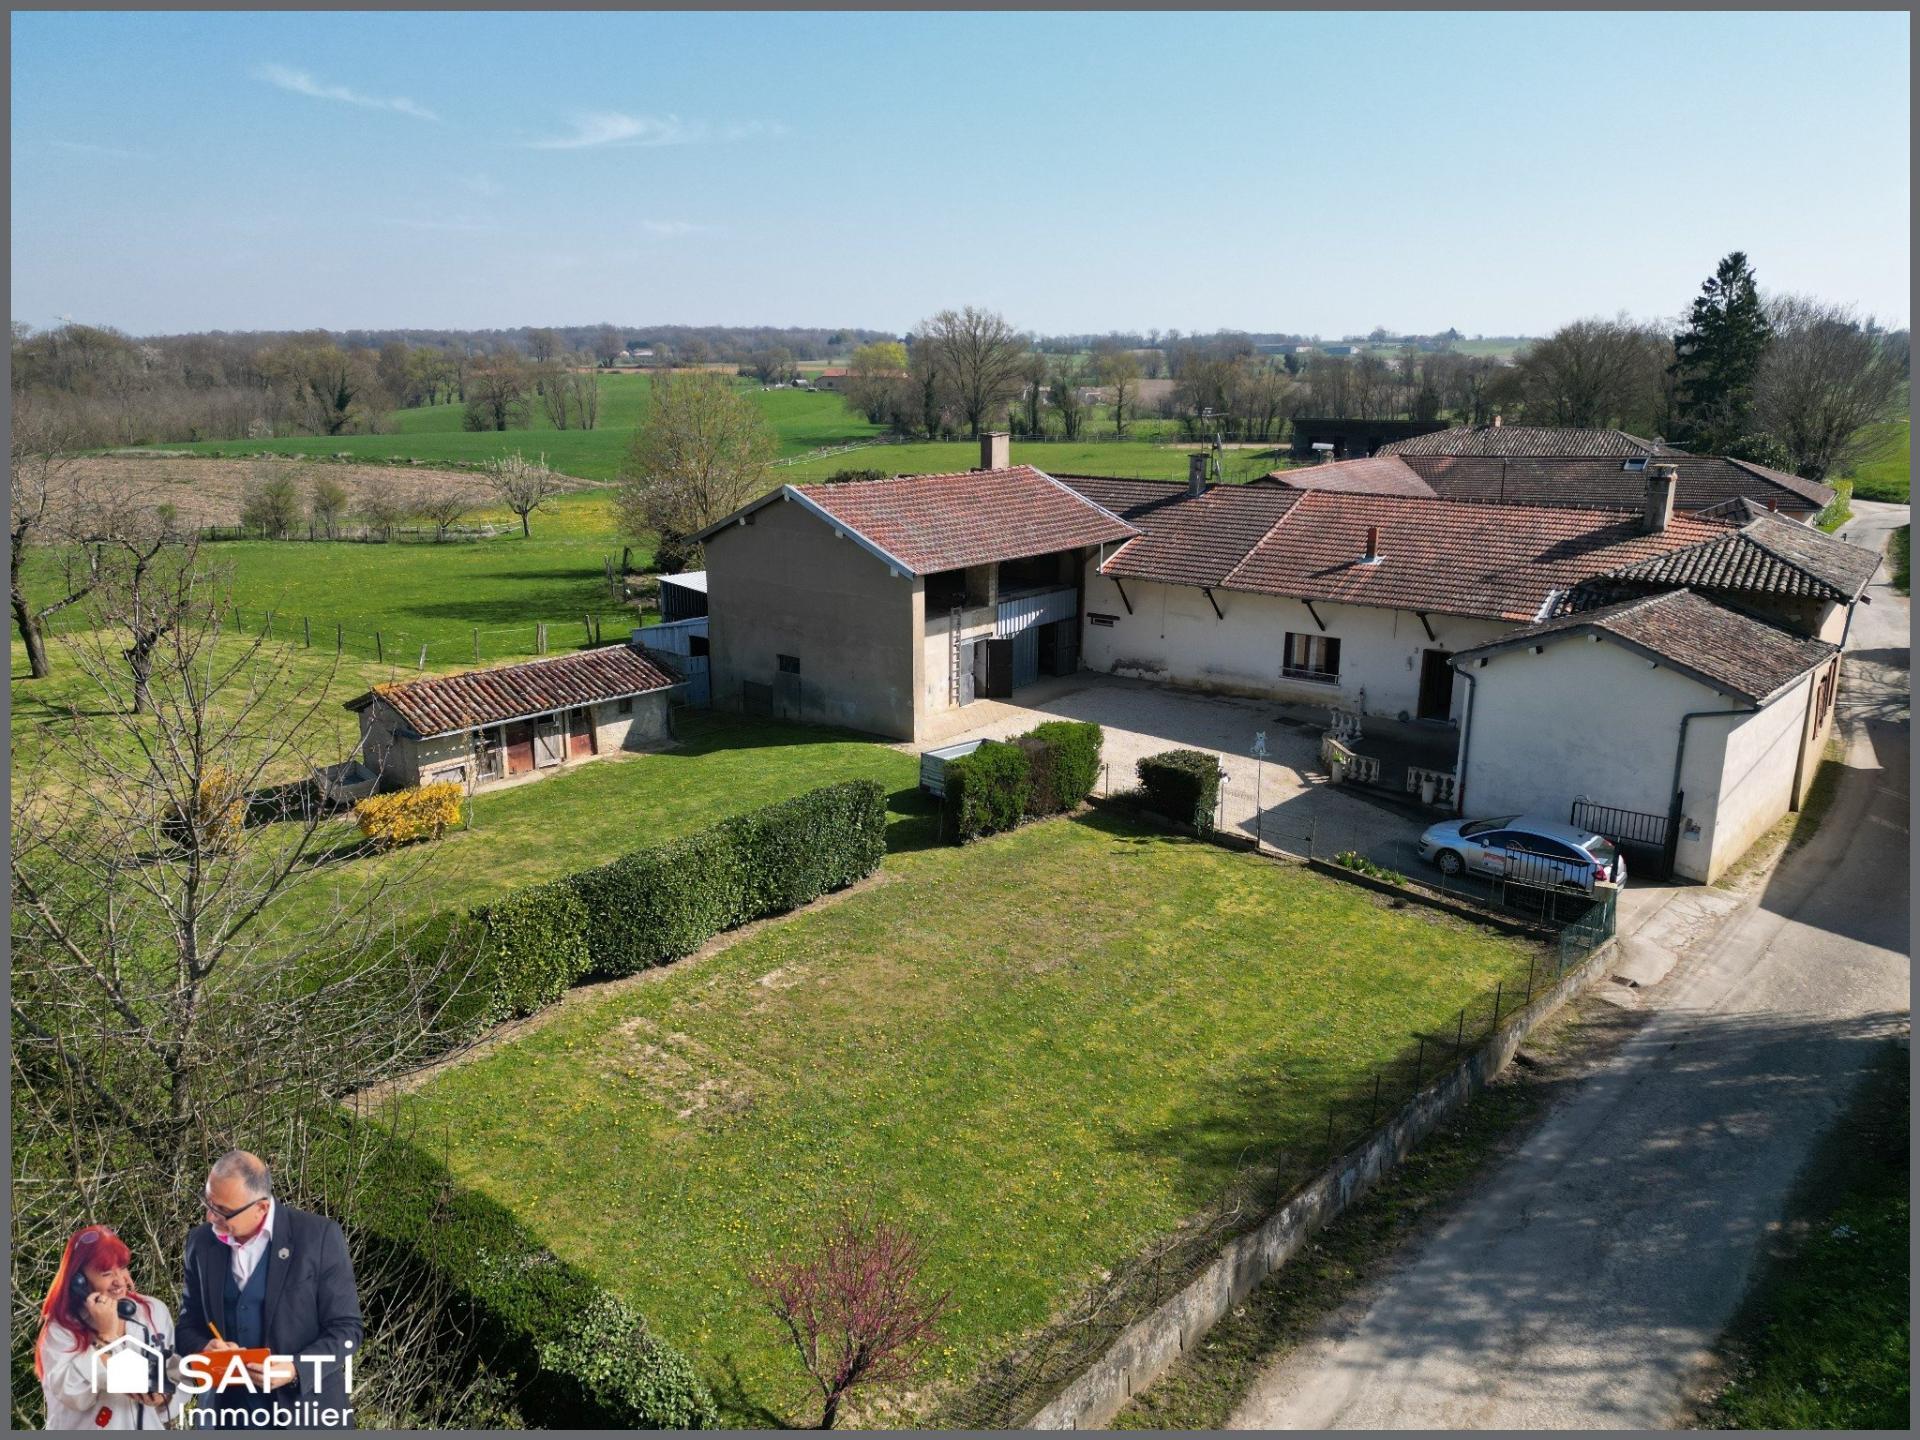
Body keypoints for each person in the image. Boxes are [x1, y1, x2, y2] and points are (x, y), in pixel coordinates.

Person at [174, 1151, 363, 1430]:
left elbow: (347, 1330)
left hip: (306, 1417)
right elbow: (187, 1327)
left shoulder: (319, 1236)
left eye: (223, 1210)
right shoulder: (199, 1243)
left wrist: (296, 1369)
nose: (210, 1216)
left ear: (261, 1207)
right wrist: (204, 1347)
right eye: (208, 1203)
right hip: (224, 1417)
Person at [36, 1223, 181, 1430]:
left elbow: (176, 1375)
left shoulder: (153, 1311)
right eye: (106, 1273)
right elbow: (73, 1395)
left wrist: (164, 1396)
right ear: (79, 1280)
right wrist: (106, 1335)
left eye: (121, 1268)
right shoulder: (61, 1328)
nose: (119, 1281)